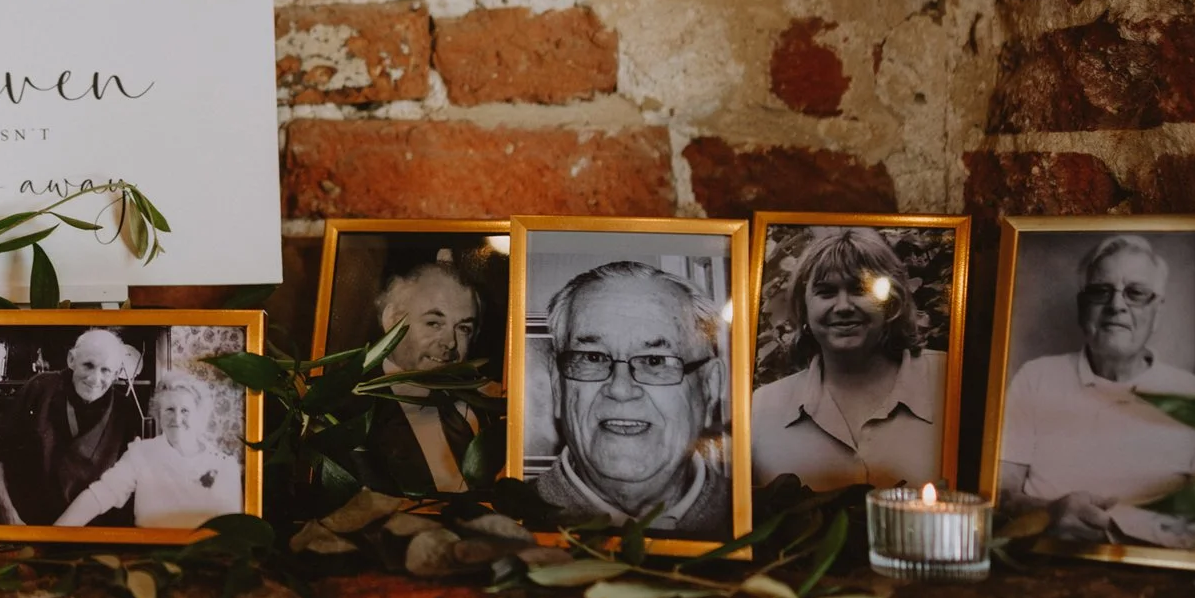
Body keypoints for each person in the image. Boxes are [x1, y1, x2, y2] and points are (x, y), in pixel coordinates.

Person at [999, 235, 1195, 549]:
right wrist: (1047, 512)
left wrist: (1118, 525)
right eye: (1100, 292)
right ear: (1081, 306)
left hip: (1156, 570)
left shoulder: (1193, 395)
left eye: (1136, 293)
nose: (1116, 306)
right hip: (1043, 562)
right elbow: (998, 493)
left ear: (1158, 310)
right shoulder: (1035, 378)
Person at [529, 261, 732, 536]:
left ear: (710, 385)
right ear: (557, 384)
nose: (620, 389)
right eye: (593, 357)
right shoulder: (504, 519)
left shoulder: (762, 518)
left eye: (655, 360)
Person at [750, 228, 943, 491]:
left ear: (891, 301)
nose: (843, 306)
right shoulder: (760, 411)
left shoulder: (949, 382)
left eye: (860, 289)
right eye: (826, 292)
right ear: (803, 307)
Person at [0, 327, 146, 525]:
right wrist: (7, 512)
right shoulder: (40, 389)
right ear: (71, 360)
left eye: (106, 370)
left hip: (90, 532)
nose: (95, 379)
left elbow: (129, 483)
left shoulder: (125, 412)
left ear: (117, 373)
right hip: (24, 525)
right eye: (88, 365)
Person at [57, 374, 241, 530]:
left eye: (185, 410)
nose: (176, 418)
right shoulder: (141, 453)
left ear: (200, 415)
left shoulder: (224, 465)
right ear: (158, 414)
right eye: (169, 409)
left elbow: (232, 530)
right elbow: (99, 495)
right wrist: (55, 535)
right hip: (150, 556)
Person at [365, 254, 483, 494]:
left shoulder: (478, 405)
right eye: (433, 323)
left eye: (463, 328)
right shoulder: (353, 411)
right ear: (392, 320)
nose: (450, 343)